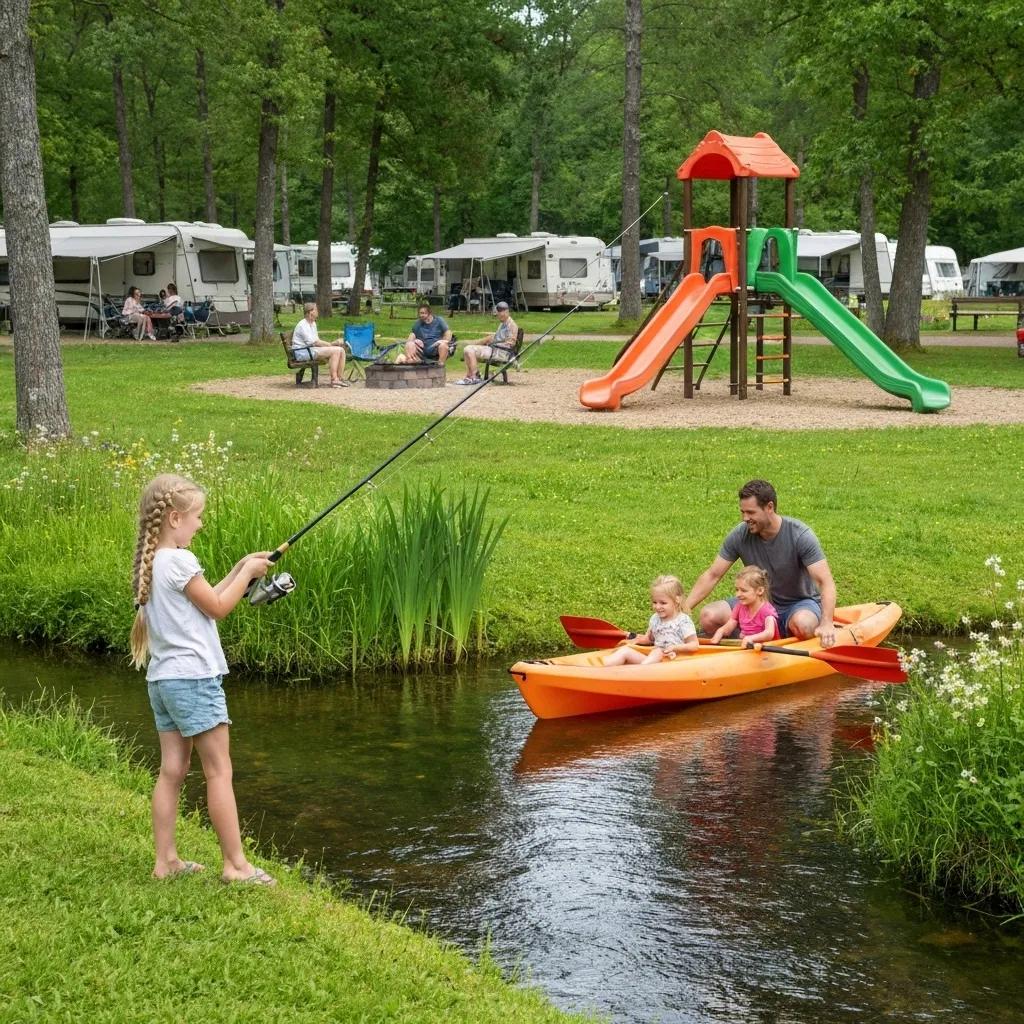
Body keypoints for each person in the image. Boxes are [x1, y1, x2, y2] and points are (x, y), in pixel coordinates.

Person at [129, 473, 276, 885]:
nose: (201, 523)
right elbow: (217, 608)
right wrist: (248, 574)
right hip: (194, 679)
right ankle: (235, 866)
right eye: (198, 516)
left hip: (163, 682)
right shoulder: (180, 560)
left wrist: (238, 568)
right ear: (175, 518)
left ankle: (166, 862)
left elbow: (204, 598)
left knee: (171, 770)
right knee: (219, 772)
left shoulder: (152, 562)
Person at [684, 479, 837, 647]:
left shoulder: (800, 535)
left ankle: (779, 639)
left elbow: (825, 582)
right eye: (742, 512)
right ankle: (744, 644)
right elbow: (713, 575)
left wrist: (827, 622)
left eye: (751, 512)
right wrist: (683, 609)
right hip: (756, 602)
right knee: (708, 616)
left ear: (769, 507)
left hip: (797, 604)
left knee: (804, 625)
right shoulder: (741, 534)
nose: (745, 518)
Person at [601, 575, 700, 666]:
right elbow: (649, 639)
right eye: (655, 602)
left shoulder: (683, 621)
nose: (657, 606)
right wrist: (633, 642)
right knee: (625, 650)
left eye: (663, 603)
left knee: (657, 652)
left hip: (675, 661)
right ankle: (600, 670)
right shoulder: (655, 618)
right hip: (655, 661)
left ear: (677, 600)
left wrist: (675, 647)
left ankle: (640, 671)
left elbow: (694, 645)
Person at [708, 565, 779, 648]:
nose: (738, 594)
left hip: (765, 649)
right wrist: (721, 631)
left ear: (760, 590)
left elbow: (769, 633)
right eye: (737, 590)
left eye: (743, 590)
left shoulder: (766, 611)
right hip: (746, 646)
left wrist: (751, 638)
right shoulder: (740, 606)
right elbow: (730, 624)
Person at [455, 301, 519, 385]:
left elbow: (511, 344)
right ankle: (469, 377)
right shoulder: (503, 324)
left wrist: (494, 344)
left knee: (469, 349)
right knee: (467, 350)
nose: (498, 315)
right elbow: (498, 338)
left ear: (506, 312)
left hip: (499, 353)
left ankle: (475, 377)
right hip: (494, 350)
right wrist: (489, 341)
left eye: (500, 313)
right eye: (498, 313)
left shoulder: (511, 325)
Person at [291, 302, 349, 387]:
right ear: (311, 312)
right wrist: (332, 344)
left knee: (341, 350)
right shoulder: (302, 325)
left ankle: (339, 378)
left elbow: (316, 341)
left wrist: (333, 344)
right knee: (336, 351)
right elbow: (315, 342)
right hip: (302, 352)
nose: (318, 311)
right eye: (316, 310)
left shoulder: (312, 323)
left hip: (310, 349)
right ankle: (334, 379)